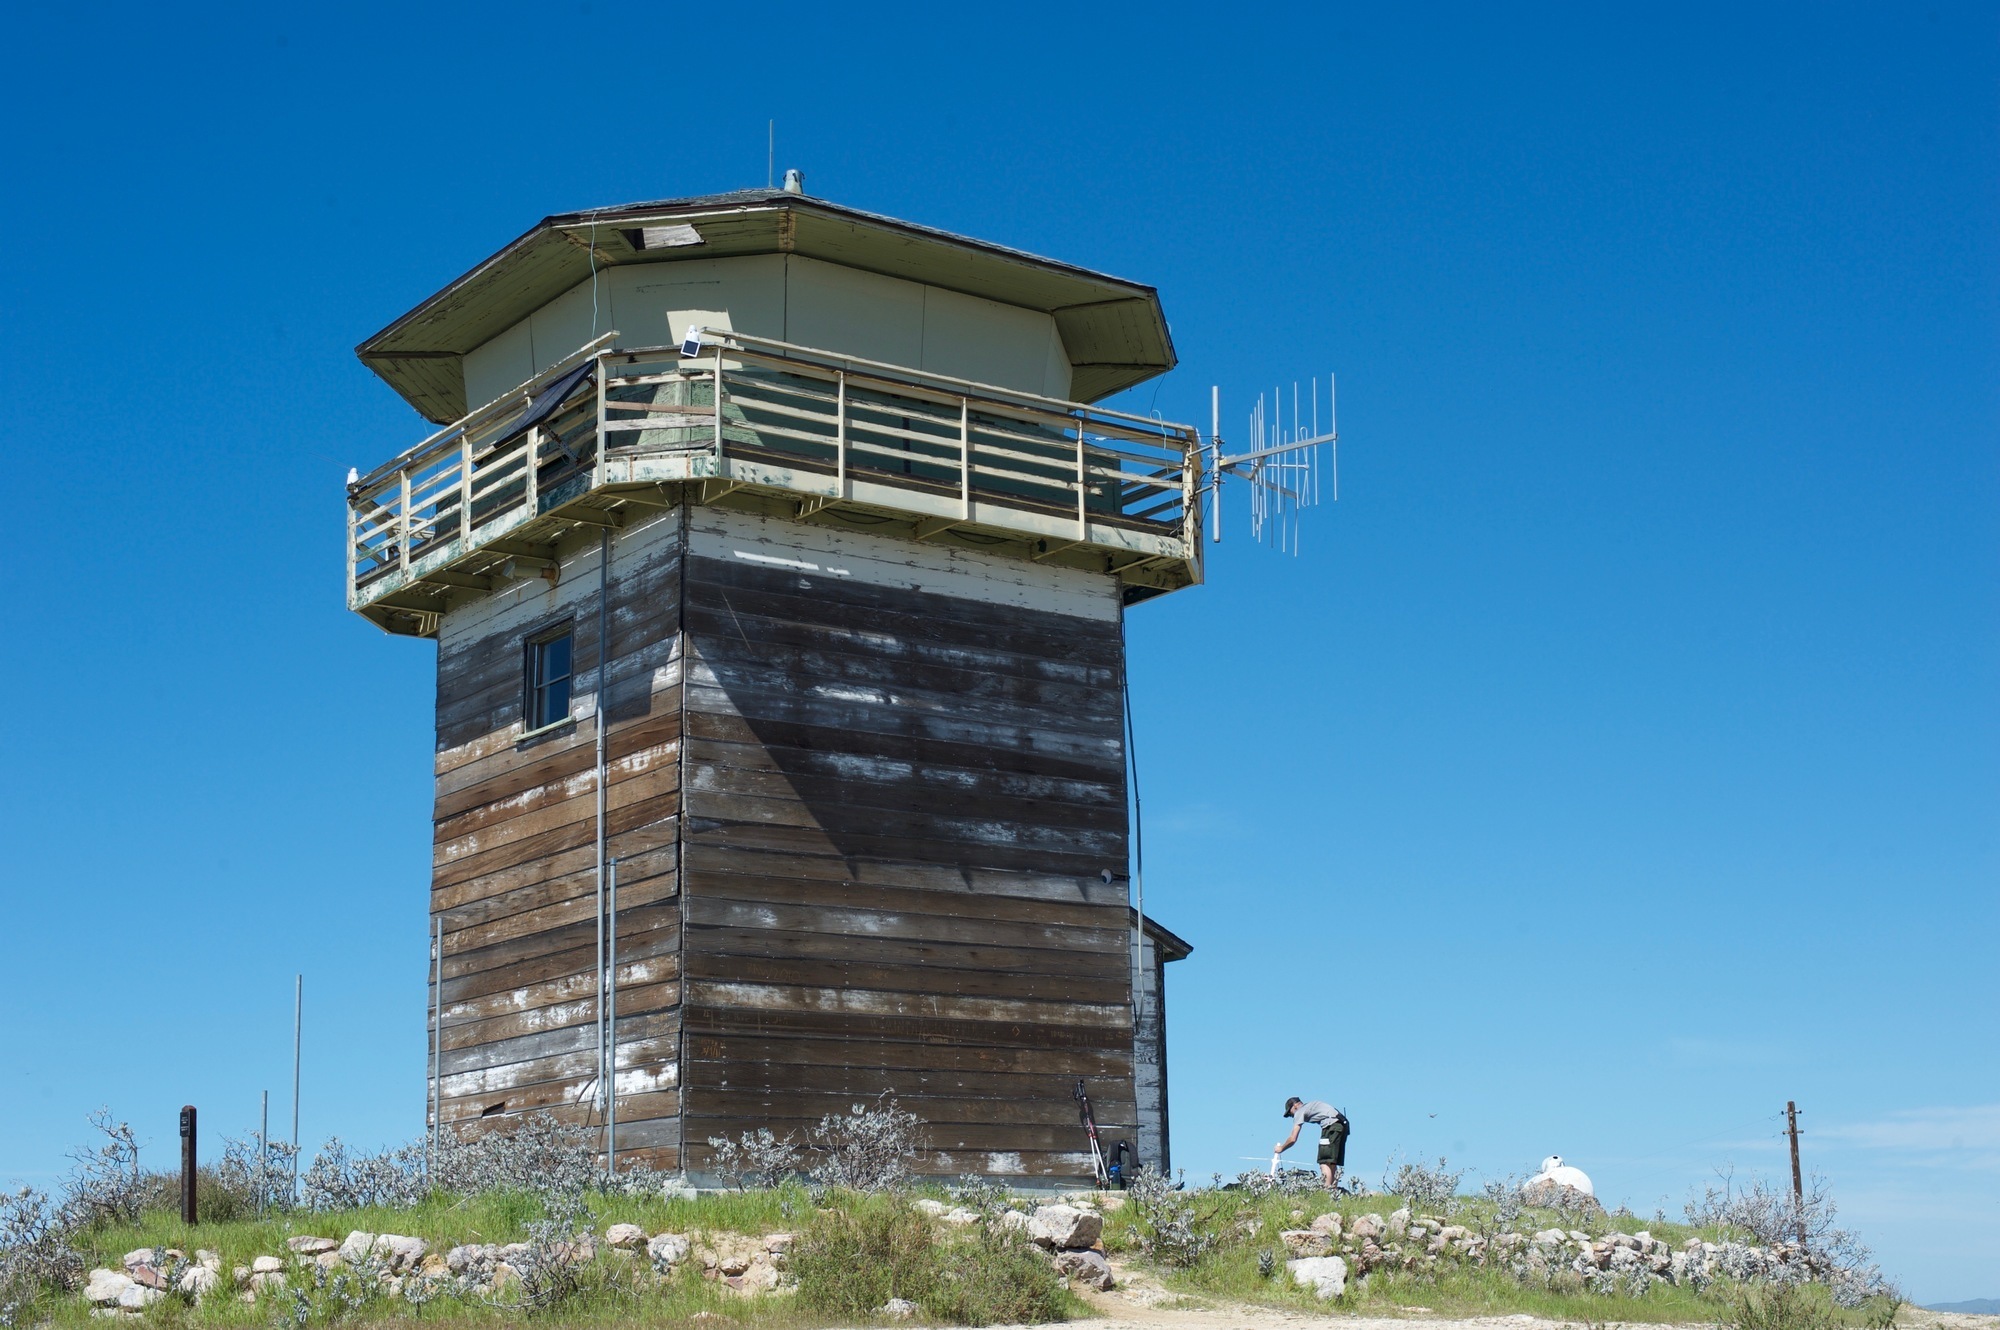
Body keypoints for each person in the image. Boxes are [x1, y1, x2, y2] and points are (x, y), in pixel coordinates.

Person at [1275, 1096, 1349, 1189]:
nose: (1292, 1116)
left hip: (1331, 1126)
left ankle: (1327, 1192)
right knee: (1332, 1162)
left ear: (1294, 1106)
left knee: (1324, 1162)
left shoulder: (1299, 1111)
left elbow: (1293, 1138)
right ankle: (1333, 1192)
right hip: (1342, 1125)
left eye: (1290, 1114)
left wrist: (1281, 1148)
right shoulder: (1312, 1105)